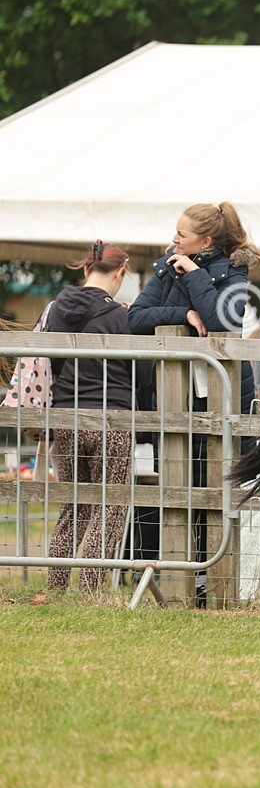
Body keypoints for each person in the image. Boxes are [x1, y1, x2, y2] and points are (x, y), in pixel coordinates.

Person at [128, 202, 260, 603]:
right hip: (176, 394)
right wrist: (183, 312)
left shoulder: (234, 271)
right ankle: (182, 580)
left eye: (182, 233)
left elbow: (223, 321)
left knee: (218, 485)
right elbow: (135, 318)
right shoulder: (165, 266)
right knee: (178, 483)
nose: (174, 239)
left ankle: (215, 583)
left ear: (205, 242)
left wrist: (194, 275)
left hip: (223, 394)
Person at [45, 241, 152, 592]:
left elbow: (53, 363)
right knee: (110, 508)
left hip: (66, 416)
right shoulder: (120, 316)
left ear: (85, 268)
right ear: (121, 272)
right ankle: (91, 591)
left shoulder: (55, 310)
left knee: (72, 508)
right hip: (112, 418)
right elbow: (142, 373)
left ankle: (56, 588)